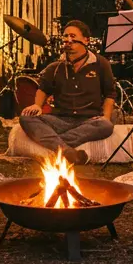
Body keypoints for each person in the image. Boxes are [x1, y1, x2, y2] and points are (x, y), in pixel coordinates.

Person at [20, 19, 117, 164]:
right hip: (60, 119)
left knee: (106, 125)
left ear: (86, 40)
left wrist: (106, 117)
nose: (68, 40)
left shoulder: (101, 63)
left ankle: (57, 146)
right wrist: (37, 106)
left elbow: (110, 93)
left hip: (89, 120)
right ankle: (67, 152)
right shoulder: (55, 66)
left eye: (73, 36)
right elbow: (43, 89)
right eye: (65, 36)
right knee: (26, 118)